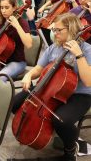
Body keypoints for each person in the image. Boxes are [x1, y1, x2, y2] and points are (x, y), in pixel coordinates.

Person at [12, 13, 91, 161]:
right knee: (16, 102)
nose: (54, 33)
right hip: (50, 89)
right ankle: (48, 129)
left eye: (58, 30)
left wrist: (79, 55)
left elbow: (88, 81)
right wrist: (28, 76)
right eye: (53, 30)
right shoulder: (54, 47)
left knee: (62, 120)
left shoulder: (87, 50)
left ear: (71, 29)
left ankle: (70, 150)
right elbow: (38, 68)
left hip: (79, 94)